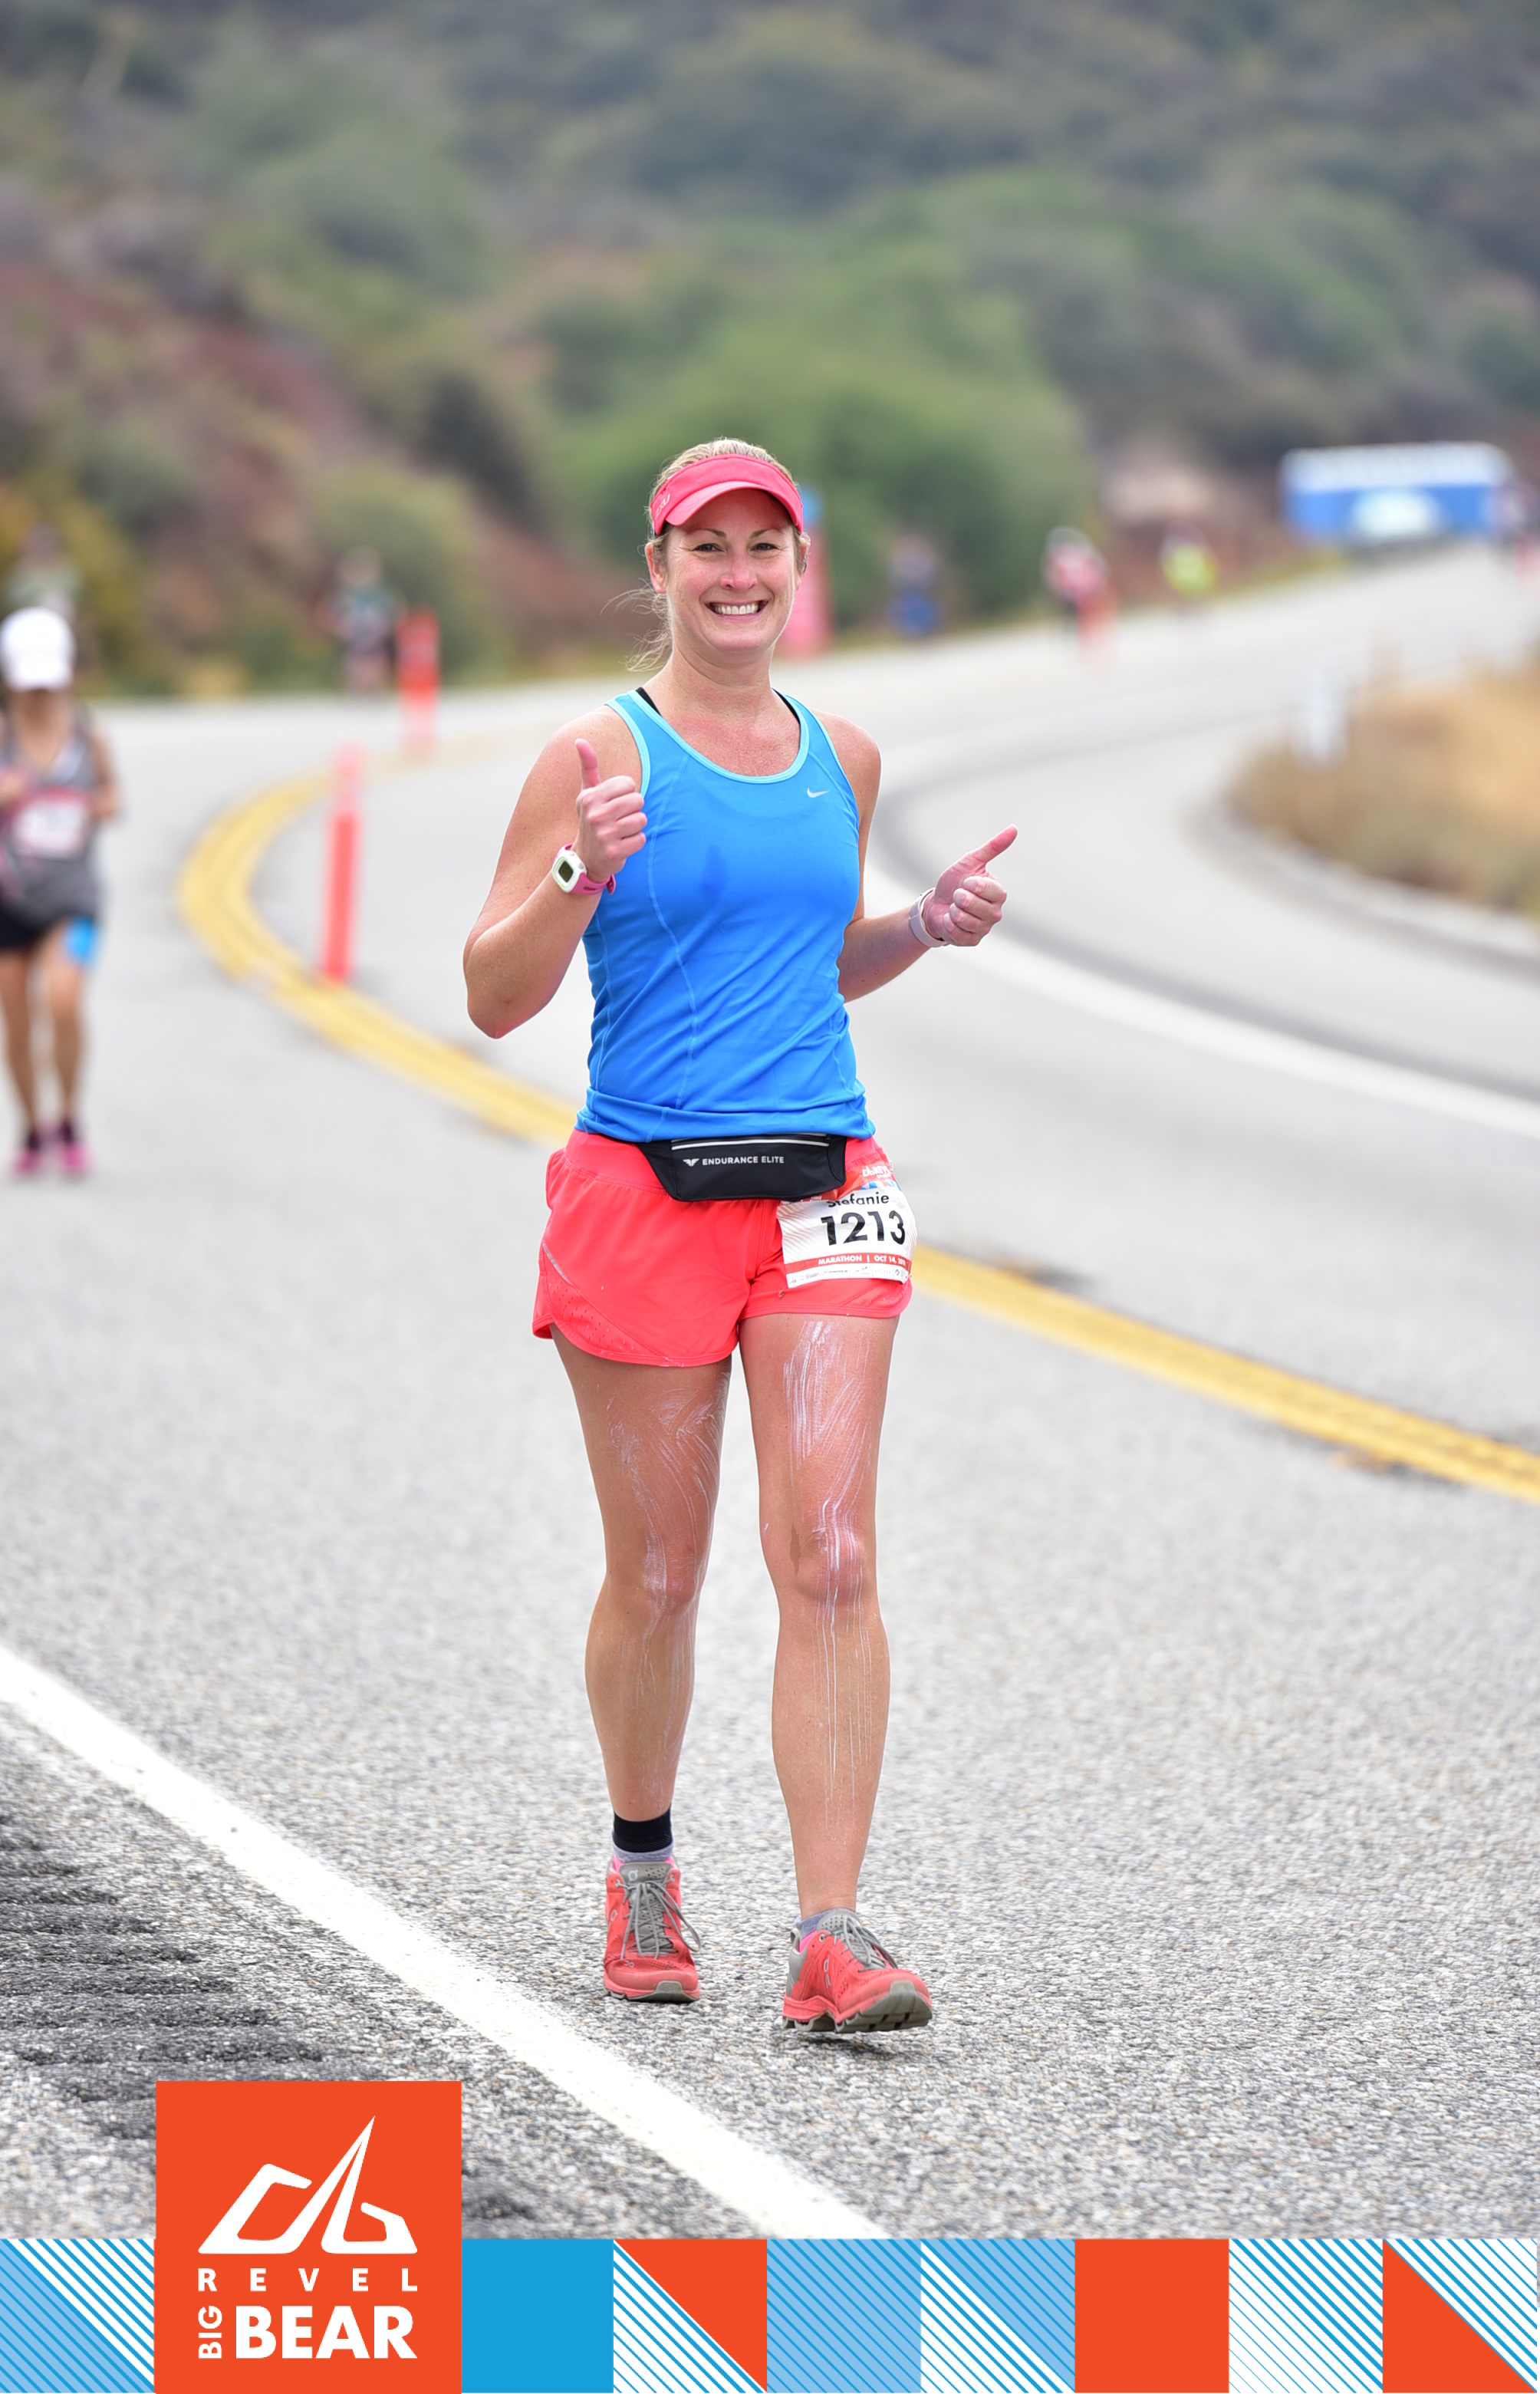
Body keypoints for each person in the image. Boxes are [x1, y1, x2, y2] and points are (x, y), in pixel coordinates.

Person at [464, 437, 1015, 2033]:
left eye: (762, 546)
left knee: (831, 1553)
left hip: (819, 1182)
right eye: (705, 547)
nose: (736, 573)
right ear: (658, 568)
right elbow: (493, 992)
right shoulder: (592, 754)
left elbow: (811, 960)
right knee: (656, 1573)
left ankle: (829, 1935)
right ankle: (642, 1870)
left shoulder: (842, 756)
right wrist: (577, 867)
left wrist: (919, 929)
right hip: (643, 1189)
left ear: (797, 566)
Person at [0, 608, 119, 1176]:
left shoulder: (89, 735)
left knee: (65, 1002)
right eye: (30, 684)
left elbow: (113, 795)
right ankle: (31, 1128)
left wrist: (96, 806)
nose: (40, 695)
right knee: (18, 1023)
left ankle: (69, 1116)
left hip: (75, 902)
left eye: (48, 683)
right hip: (8, 901)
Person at [324, 548, 400, 693]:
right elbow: (329, 615)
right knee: (355, 688)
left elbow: (397, 612)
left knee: (376, 689)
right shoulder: (345, 596)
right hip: (354, 650)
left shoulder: (381, 595)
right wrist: (341, 628)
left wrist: (384, 628)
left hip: (377, 649)